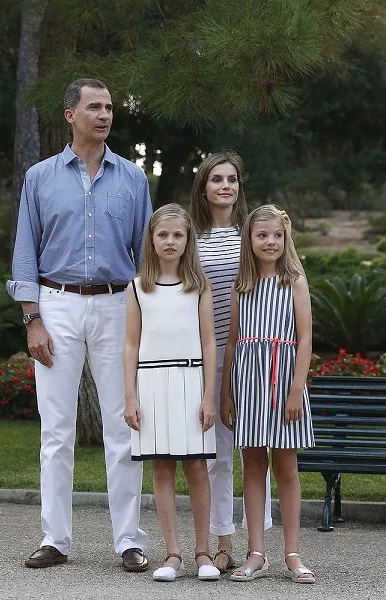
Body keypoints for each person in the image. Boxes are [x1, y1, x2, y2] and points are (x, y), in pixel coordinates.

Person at [6, 78, 152, 571]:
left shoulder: (133, 178)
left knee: (124, 427)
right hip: (57, 305)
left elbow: (147, 257)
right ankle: (55, 539)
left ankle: (130, 540)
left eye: (109, 106)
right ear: (70, 115)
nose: (105, 114)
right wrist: (32, 320)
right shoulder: (40, 178)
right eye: (94, 106)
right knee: (56, 430)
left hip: (117, 306)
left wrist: (146, 316)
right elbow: (25, 251)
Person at [124, 203, 220, 582]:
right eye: (163, 235)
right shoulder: (137, 287)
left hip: (191, 382)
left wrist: (209, 394)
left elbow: (210, 342)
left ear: (187, 240)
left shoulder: (199, 286)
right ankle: (173, 554)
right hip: (151, 384)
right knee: (161, 467)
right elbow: (131, 345)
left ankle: (203, 553)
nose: (170, 241)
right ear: (151, 239)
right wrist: (130, 396)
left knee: (197, 466)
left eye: (177, 235)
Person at [220, 204, 315, 583]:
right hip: (249, 386)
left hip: (284, 383)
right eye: (262, 235)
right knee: (253, 465)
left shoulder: (294, 282)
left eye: (277, 235)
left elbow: (305, 338)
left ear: (285, 236)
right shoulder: (240, 286)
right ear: (250, 240)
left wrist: (296, 389)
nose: (270, 241)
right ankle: (256, 552)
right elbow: (230, 345)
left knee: (287, 467)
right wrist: (227, 394)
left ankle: (293, 554)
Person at [189, 151, 272, 573]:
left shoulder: (251, 236)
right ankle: (223, 544)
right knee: (216, 454)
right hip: (210, 354)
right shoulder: (191, 238)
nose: (225, 185)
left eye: (232, 179)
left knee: (255, 449)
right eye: (217, 178)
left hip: (254, 353)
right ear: (203, 186)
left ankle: (258, 545)